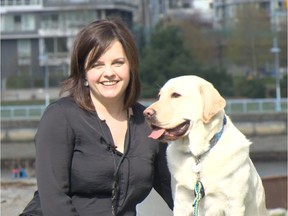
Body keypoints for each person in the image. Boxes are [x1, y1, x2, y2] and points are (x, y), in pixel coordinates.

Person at [20, 19, 173, 216]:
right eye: (97, 65)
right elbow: (54, 201)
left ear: (131, 66)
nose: (108, 73)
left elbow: (177, 194)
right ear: (83, 72)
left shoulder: (148, 124)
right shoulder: (60, 117)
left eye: (118, 63)